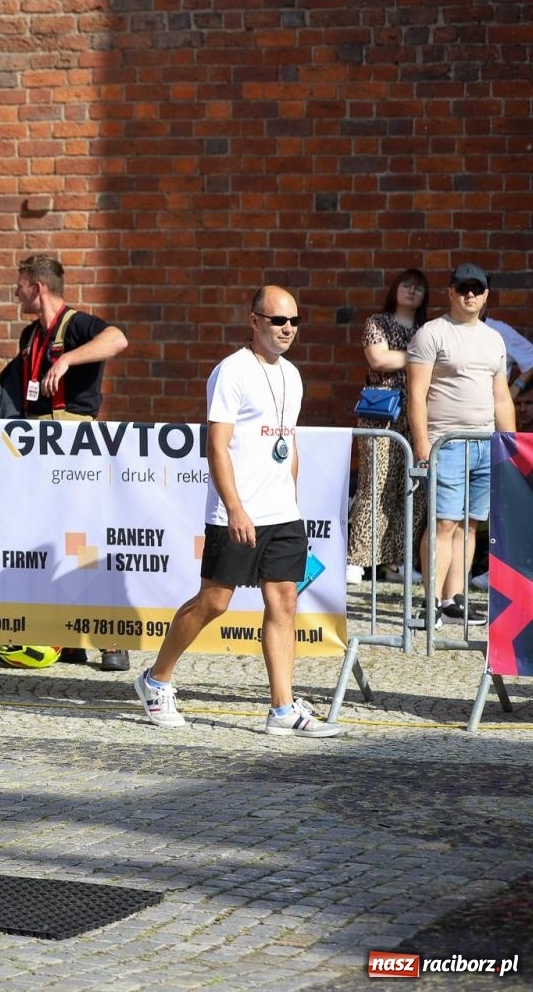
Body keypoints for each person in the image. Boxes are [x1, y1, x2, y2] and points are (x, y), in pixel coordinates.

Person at [134, 286, 340, 738]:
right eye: (277, 321)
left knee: (284, 601)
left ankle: (283, 708)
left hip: (282, 512)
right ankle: (155, 680)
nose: (287, 329)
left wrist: (291, 500)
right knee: (215, 602)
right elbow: (217, 444)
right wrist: (235, 508)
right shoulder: (232, 371)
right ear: (254, 321)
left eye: (294, 322)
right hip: (237, 512)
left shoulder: (293, 375)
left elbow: (289, 442)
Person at [0, 253, 131, 669]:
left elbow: (118, 339)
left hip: (74, 443)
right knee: (49, 544)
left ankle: (111, 643)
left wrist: (68, 358)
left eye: (19, 284)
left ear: (38, 287)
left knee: (84, 542)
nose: (15, 292)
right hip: (39, 445)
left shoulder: (78, 325)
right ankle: (68, 637)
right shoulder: (29, 336)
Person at [406, 262, 514, 625]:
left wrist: (509, 446)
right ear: (450, 291)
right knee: (443, 524)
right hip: (446, 442)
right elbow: (416, 394)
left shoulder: (493, 339)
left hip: (485, 443)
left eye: (477, 289)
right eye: (463, 288)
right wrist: (422, 444)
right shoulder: (431, 333)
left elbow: (501, 398)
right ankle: (430, 602)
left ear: (485, 295)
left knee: (469, 524)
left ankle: (454, 599)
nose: (470, 295)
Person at [346, 268, 430, 584]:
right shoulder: (378, 323)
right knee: (375, 484)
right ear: (395, 289)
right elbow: (379, 360)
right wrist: (420, 356)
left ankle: (397, 561)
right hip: (382, 413)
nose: (411, 290)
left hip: (417, 414)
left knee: (409, 488)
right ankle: (356, 559)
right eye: (406, 285)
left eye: (418, 287)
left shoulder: (427, 329)